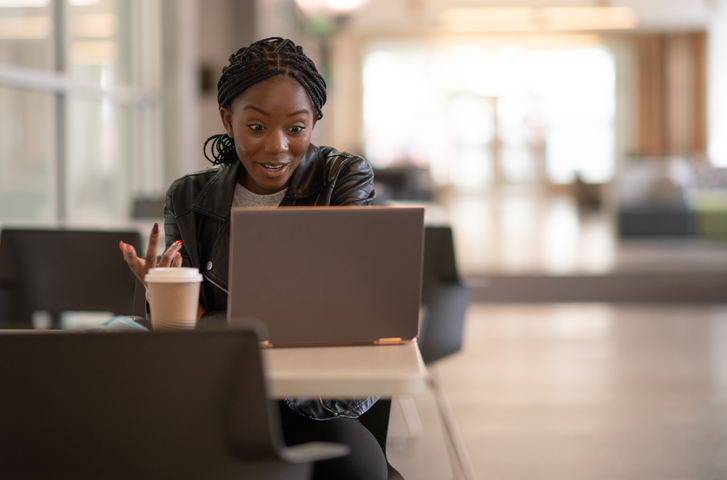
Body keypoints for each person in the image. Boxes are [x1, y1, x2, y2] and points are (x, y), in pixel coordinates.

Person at [119, 37, 387, 479]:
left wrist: (214, 319)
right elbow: (185, 342)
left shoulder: (342, 178)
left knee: (360, 469)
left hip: (313, 402)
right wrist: (164, 293)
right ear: (228, 120)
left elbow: (338, 302)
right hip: (219, 398)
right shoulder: (188, 197)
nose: (277, 146)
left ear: (314, 122)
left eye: (296, 128)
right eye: (257, 127)